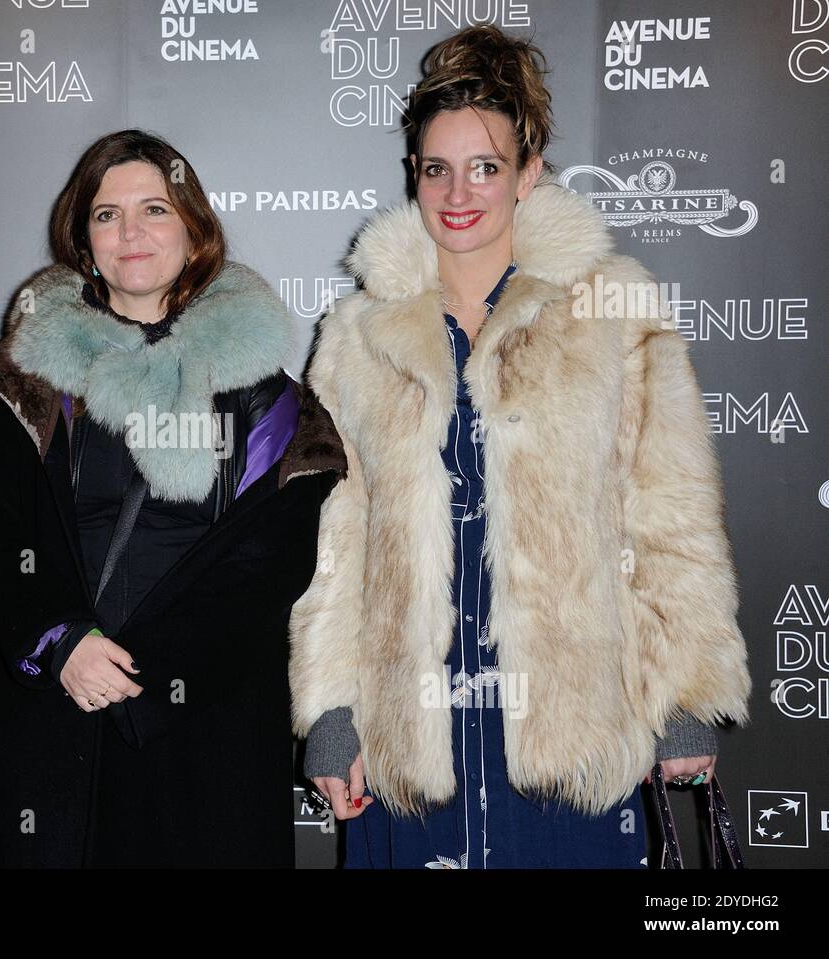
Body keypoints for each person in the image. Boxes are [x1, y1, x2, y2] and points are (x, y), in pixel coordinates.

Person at [290, 25, 751, 868]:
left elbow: (669, 514)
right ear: (414, 178)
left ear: (528, 174)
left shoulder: (611, 310)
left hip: (570, 741)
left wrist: (685, 695)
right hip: (411, 746)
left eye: (486, 167)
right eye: (437, 168)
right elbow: (334, 542)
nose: (458, 192)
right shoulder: (357, 338)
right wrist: (329, 710)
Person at [0, 129, 346, 867]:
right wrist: (61, 643)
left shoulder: (267, 401)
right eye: (107, 215)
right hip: (41, 727)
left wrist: (144, 677)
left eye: (154, 209)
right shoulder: (22, 379)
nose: (131, 233)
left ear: (193, 230)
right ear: (83, 241)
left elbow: (268, 564)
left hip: (199, 738)